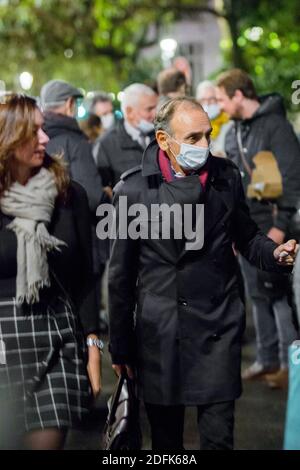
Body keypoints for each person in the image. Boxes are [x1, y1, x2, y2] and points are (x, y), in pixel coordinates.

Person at [108, 96, 298, 450]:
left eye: (207, 135)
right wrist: (120, 347)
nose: (205, 146)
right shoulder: (133, 190)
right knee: (166, 444)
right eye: (193, 138)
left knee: (219, 439)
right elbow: (120, 276)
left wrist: (275, 253)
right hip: (161, 334)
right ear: (164, 141)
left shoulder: (226, 177)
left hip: (218, 327)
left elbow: (248, 237)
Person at [0, 94, 102, 449]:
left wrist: (92, 344)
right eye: (34, 132)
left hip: (57, 334)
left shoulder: (68, 194)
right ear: (6, 138)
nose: (45, 139)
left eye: (43, 129)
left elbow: (85, 275)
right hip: (4, 339)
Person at [216, 69, 300, 387]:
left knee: (279, 296)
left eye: (223, 98)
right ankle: (267, 360)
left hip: (274, 226)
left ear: (238, 95)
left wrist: (280, 226)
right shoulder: (238, 129)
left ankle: (290, 365)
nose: (221, 106)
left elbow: (292, 177)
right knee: (258, 295)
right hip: (250, 226)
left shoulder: (275, 126)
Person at [41, 80, 107, 330]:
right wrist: (107, 195)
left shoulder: (37, 137)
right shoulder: (74, 140)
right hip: (79, 241)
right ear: (69, 104)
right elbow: (91, 195)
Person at [95, 83, 157, 191]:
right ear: (129, 112)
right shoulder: (106, 144)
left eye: (155, 108)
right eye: (149, 109)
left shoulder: (161, 136)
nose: (155, 114)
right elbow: (104, 189)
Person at [196, 80, 232, 156]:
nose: (207, 104)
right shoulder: (195, 126)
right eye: (203, 100)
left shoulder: (229, 122)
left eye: (211, 99)